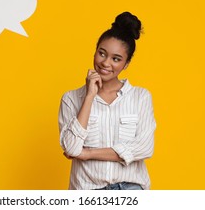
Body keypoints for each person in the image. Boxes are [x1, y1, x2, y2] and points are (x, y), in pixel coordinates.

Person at [58, 11, 156, 190]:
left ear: (126, 64)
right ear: (95, 52)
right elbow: (71, 148)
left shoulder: (140, 97)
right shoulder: (71, 99)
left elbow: (144, 147)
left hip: (131, 190)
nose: (106, 63)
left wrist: (87, 154)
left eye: (116, 59)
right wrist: (89, 97)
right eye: (102, 54)